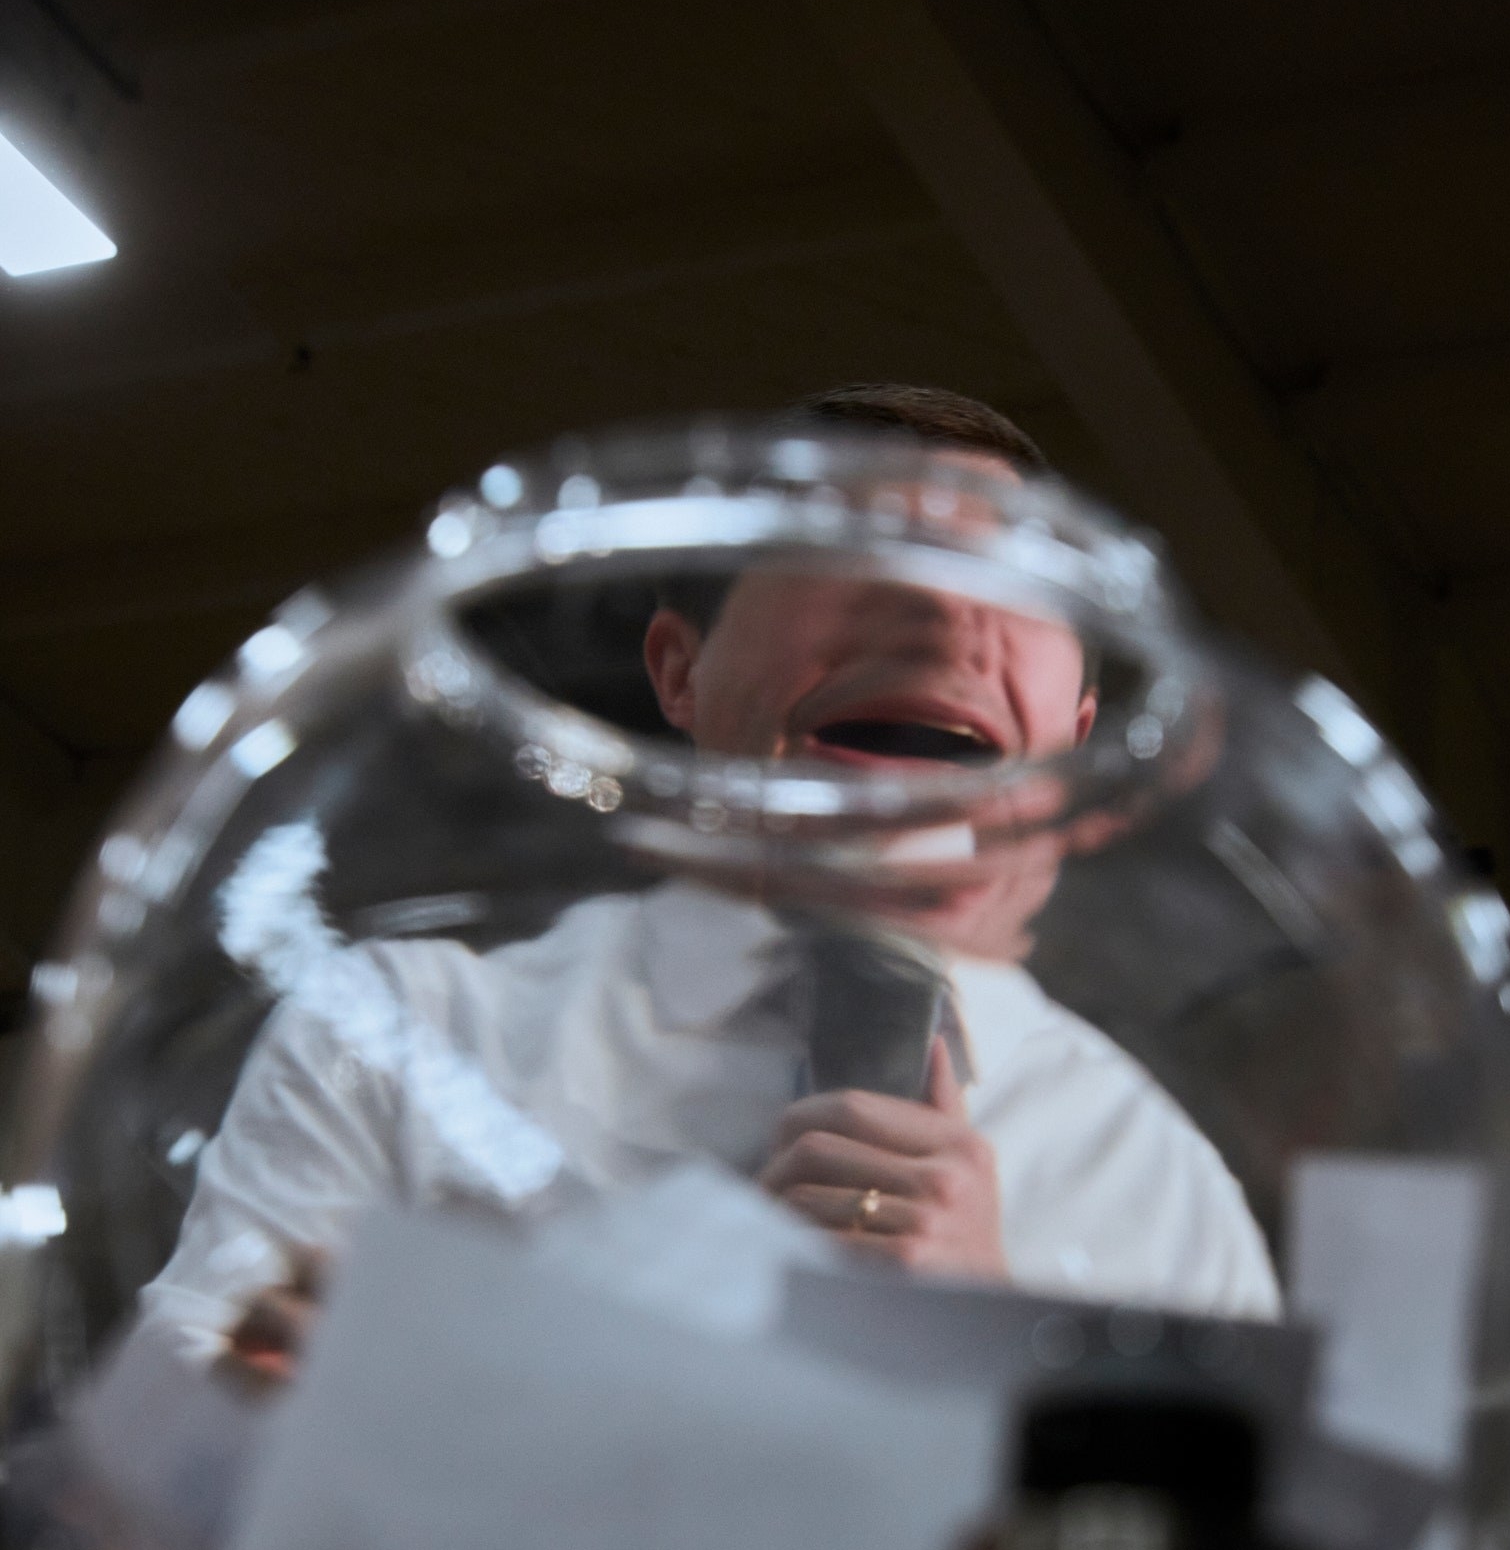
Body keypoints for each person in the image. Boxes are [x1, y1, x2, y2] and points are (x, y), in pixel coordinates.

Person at [139, 382, 1278, 1383]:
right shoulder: (393, 1042)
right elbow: (155, 1490)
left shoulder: (1158, 1178)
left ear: (1076, 733)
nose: (940, 610)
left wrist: (994, 1360)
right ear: (681, 671)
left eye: (1010, 576)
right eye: (848, 546)